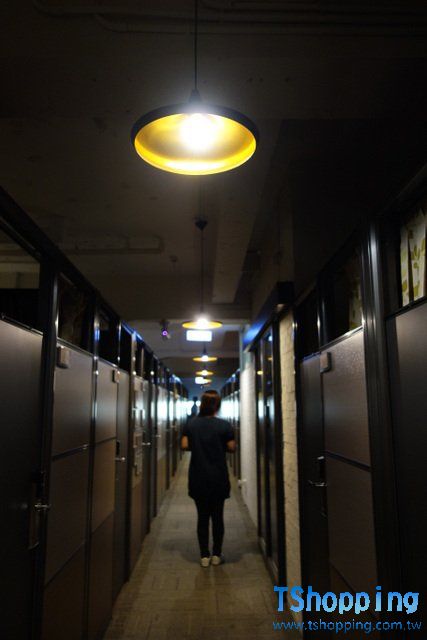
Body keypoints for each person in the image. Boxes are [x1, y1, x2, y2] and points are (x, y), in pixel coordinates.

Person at [181, 389, 236, 567]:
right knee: (218, 517)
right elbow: (232, 448)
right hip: (219, 477)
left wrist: (198, 446)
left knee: (202, 517)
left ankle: (204, 556)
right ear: (217, 406)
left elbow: (184, 445)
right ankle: (217, 555)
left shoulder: (191, 425)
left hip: (198, 477)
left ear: (202, 405)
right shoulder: (224, 425)